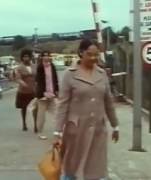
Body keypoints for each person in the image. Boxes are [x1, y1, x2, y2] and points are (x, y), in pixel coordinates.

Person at [53, 39, 119, 180]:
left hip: (97, 130)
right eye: (90, 54)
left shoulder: (101, 74)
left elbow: (108, 102)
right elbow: (62, 105)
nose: (93, 58)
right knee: (73, 168)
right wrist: (57, 131)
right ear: (81, 53)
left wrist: (115, 125)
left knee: (96, 169)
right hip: (76, 131)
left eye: (96, 55)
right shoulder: (69, 75)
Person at [35, 50, 59, 140]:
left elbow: (55, 79)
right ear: (41, 57)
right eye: (44, 56)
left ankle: (58, 131)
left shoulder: (52, 66)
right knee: (41, 115)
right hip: (43, 95)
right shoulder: (40, 67)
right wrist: (42, 93)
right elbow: (39, 81)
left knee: (57, 113)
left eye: (48, 55)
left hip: (52, 93)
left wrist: (57, 90)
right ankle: (40, 132)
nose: (47, 57)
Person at [14, 49, 38, 132]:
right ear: (22, 58)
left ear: (30, 57)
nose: (26, 58)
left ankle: (36, 125)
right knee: (23, 108)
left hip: (33, 90)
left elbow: (38, 77)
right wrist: (22, 83)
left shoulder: (34, 66)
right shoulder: (19, 68)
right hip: (23, 91)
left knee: (35, 108)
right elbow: (18, 78)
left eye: (27, 56)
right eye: (24, 57)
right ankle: (24, 123)